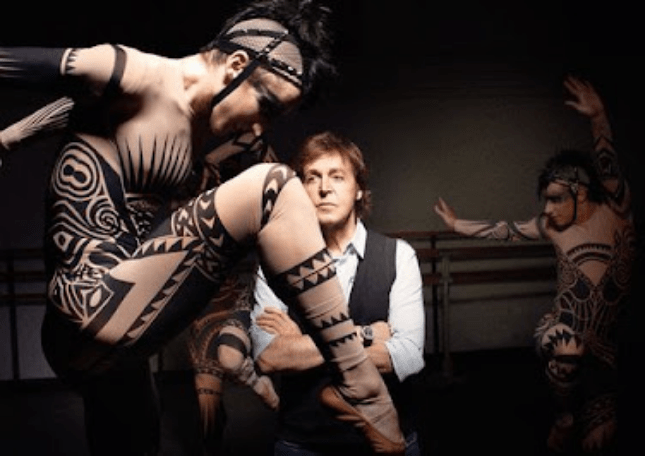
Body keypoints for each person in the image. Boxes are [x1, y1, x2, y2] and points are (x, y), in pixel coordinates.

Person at [0, 1, 405, 455]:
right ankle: (362, 386)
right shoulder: (132, 70)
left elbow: (82, 105)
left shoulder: (197, 127)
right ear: (235, 64)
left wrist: (9, 139)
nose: (260, 126)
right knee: (273, 187)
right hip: (87, 305)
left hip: (113, 341)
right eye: (266, 106)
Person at [433, 76, 635, 454]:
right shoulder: (551, 225)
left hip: (605, 348)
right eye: (545, 200)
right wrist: (457, 225)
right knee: (567, 349)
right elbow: (507, 230)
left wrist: (599, 118)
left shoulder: (617, 211)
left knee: (600, 442)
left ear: (581, 193)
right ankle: (563, 415)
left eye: (556, 199)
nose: (547, 209)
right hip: (559, 330)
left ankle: (594, 403)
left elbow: (609, 166)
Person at [250, 131, 426, 455]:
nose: (324, 188)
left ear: (358, 189)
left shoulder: (399, 256)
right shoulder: (276, 262)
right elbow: (269, 356)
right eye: (312, 177)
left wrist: (301, 344)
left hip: (389, 440)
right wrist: (366, 334)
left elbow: (408, 356)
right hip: (302, 442)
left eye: (337, 176)